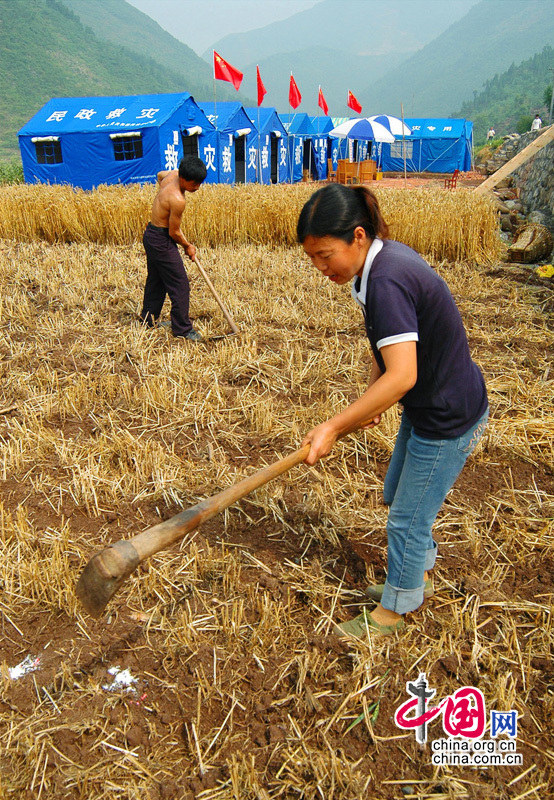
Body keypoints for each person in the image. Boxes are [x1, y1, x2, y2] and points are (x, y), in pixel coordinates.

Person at [297, 184, 488, 638]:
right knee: (397, 493)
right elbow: (388, 351)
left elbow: (402, 376)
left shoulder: (385, 280)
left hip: (446, 416)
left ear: (357, 237)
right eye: (313, 258)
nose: (321, 267)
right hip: (430, 405)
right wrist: (372, 394)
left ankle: (396, 610)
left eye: (325, 255)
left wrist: (333, 426)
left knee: (407, 517)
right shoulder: (377, 264)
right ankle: (414, 574)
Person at [140, 155, 207, 341]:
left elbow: (159, 175)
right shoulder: (178, 199)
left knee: (156, 280)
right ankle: (183, 329)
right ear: (184, 179)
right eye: (195, 184)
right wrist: (188, 246)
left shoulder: (172, 175)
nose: (197, 188)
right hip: (161, 239)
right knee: (180, 284)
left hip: (150, 234)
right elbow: (174, 232)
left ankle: (148, 319)